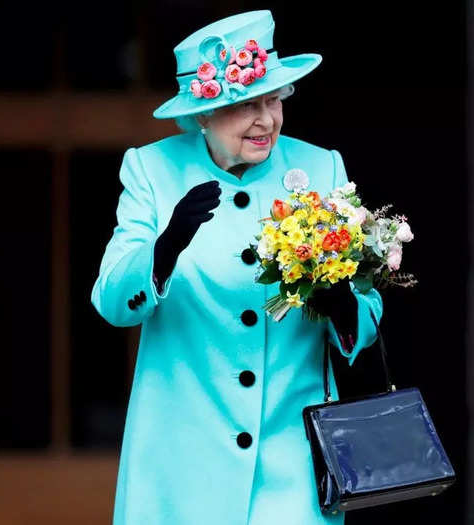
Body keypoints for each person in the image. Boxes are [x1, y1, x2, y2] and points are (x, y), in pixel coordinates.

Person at [90, 9, 383, 525]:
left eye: (273, 99)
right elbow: (113, 301)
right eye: (245, 104)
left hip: (293, 457)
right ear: (202, 113)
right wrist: (162, 251)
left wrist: (342, 302)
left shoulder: (319, 167)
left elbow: (367, 307)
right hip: (182, 459)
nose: (266, 119)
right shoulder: (152, 170)